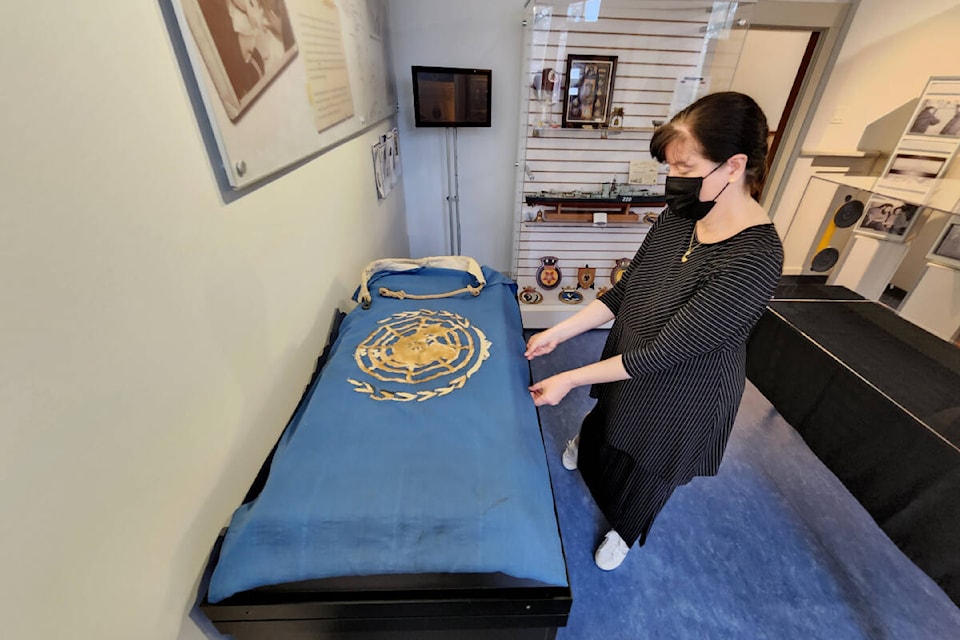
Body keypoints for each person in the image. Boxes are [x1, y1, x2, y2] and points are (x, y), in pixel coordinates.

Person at [525, 92, 784, 571]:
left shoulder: (756, 257)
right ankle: (585, 450)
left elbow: (666, 352)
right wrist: (561, 333)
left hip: (683, 392)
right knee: (603, 425)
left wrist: (569, 376)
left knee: (646, 471)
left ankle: (625, 531)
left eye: (685, 169)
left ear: (734, 166)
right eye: (671, 169)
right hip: (627, 353)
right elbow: (624, 294)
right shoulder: (678, 219)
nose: (673, 182)